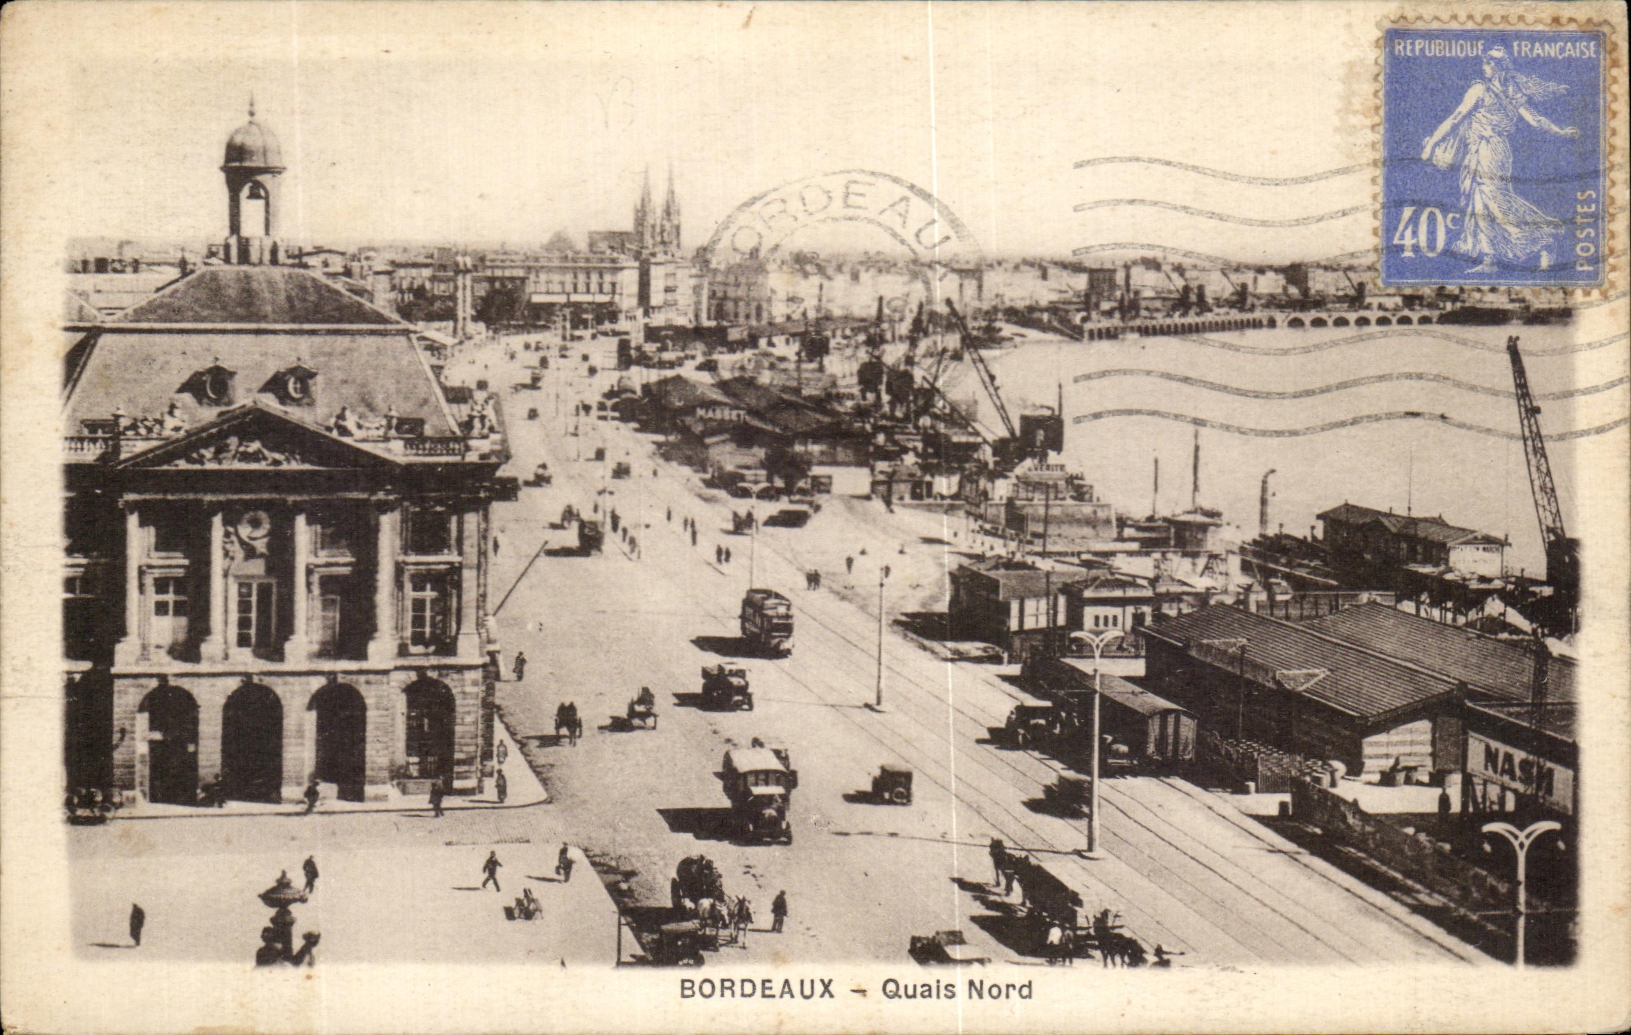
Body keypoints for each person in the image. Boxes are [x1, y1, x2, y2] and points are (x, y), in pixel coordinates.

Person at [1419, 45, 1580, 274]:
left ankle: (1544, 237)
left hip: (1488, 149)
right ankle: (1489, 259)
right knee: (1480, 200)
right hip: (1488, 150)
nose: (1484, 66)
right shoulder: (1510, 92)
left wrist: (1432, 144)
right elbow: (1535, 120)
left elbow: (1456, 117)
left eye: (1488, 63)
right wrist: (1560, 132)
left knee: (1494, 199)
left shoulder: (1483, 90)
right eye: (1485, 62)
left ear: (1497, 67)